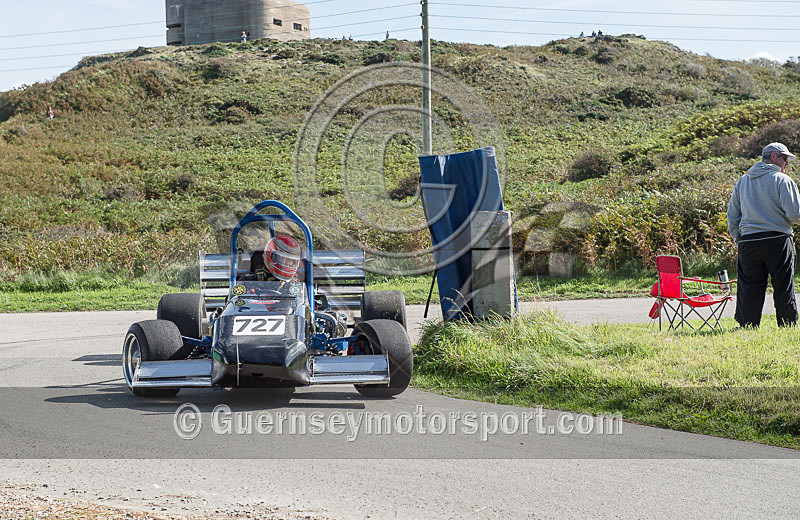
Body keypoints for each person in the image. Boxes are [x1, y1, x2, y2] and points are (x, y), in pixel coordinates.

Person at [727, 142, 800, 327]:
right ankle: (787, 323)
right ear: (774, 157)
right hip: (778, 239)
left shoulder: (743, 181)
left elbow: (732, 216)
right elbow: (794, 214)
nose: (787, 163)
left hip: (748, 241)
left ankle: (747, 324)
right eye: (785, 158)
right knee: (783, 284)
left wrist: (739, 239)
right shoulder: (782, 180)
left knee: (749, 287)